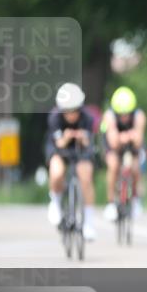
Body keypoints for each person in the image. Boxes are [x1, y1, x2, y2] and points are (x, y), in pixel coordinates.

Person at [45, 82, 98, 241]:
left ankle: (88, 222)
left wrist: (82, 137)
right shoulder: (54, 117)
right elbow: (59, 143)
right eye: (67, 111)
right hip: (59, 149)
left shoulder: (87, 117)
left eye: (74, 110)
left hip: (80, 151)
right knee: (57, 172)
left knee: (86, 177)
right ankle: (55, 201)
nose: (71, 115)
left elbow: (89, 142)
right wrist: (67, 137)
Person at [101, 86, 147, 220]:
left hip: (131, 147)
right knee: (113, 166)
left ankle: (135, 198)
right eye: (120, 114)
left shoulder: (139, 115)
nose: (124, 117)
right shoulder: (109, 116)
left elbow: (138, 141)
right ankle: (110, 202)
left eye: (127, 114)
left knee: (135, 167)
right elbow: (114, 143)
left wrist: (125, 137)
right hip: (112, 146)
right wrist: (128, 135)